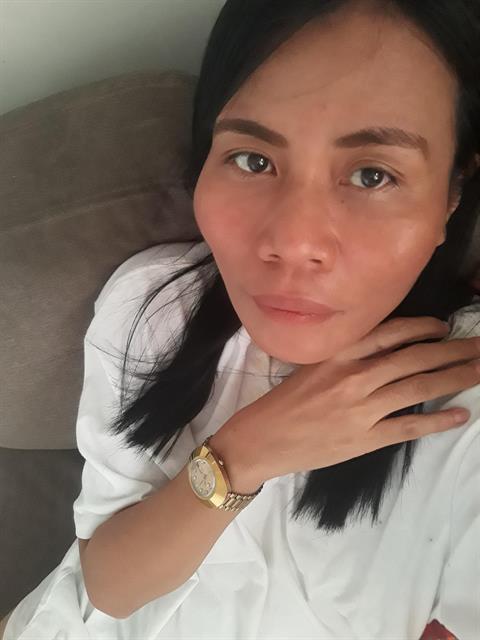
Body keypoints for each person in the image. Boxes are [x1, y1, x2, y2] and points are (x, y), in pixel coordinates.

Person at [3, 0, 480, 638]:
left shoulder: (465, 405)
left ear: (452, 193)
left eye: (372, 175)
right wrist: (246, 453)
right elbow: (110, 590)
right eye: (254, 160)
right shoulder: (154, 308)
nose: (293, 242)